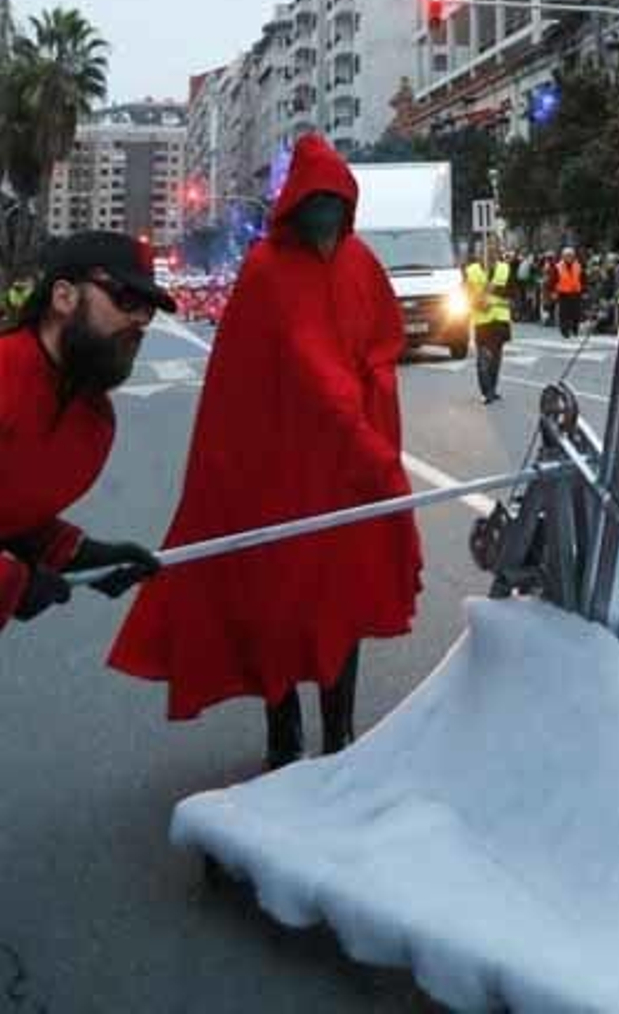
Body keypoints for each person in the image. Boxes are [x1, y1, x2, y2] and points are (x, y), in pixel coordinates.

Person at [109, 135, 422, 769]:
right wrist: (365, 439)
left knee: (344, 600)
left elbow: (384, 341)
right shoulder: (266, 270)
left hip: (342, 475)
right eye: (317, 203)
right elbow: (304, 369)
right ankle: (285, 737)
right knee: (277, 606)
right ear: (296, 207)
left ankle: (339, 736)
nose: (327, 217)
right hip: (280, 471)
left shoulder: (362, 265)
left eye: (337, 202)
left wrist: (371, 412)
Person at [1, 232, 167, 636]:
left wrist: (79, 555)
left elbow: (14, 515)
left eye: (149, 310)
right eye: (127, 299)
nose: (141, 320)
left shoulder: (93, 421)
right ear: (63, 298)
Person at [465, 234, 513, 403]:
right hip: (482, 320)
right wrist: (478, 302)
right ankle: (486, 391)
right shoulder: (471, 270)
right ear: (480, 252)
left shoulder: (504, 268)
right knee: (483, 359)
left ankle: (492, 388)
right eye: (488, 249)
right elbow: (466, 294)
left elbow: (512, 292)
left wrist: (494, 290)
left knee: (496, 359)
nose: (492, 252)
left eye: (495, 248)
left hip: (500, 320)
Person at [553, 245, 585, 338]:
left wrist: (584, 290)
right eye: (567, 255)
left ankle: (575, 330)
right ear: (563, 256)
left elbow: (583, 279)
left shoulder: (578, 266)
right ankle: (565, 331)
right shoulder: (558, 266)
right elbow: (553, 279)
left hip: (576, 293)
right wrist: (553, 292)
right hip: (563, 293)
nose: (569, 257)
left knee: (576, 313)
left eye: (571, 255)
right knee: (564, 314)